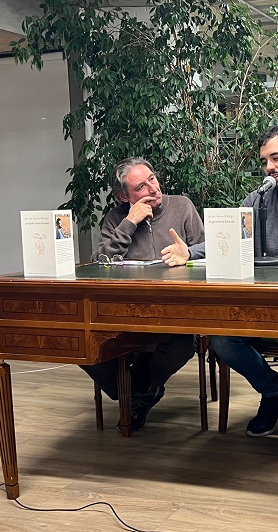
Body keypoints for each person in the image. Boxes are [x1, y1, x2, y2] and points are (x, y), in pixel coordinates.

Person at [161, 125, 278, 456]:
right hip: (260, 310)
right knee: (221, 340)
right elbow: (229, 239)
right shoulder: (257, 201)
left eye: (276, 158)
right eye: (264, 161)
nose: (269, 168)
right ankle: (273, 391)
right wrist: (191, 252)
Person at [84, 157, 205, 432]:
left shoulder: (182, 206)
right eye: (141, 186)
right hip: (126, 313)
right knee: (83, 345)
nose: (152, 188)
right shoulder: (116, 218)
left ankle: (137, 390)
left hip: (177, 311)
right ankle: (142, 391)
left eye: (152, 179)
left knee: (183, 344)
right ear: (123, 196)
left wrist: (188, 254)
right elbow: (98, 263)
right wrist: (129, 223)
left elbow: (209, 248)